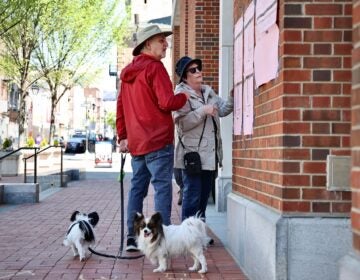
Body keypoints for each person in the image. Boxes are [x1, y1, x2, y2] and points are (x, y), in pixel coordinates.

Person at [116, 25, 190, 252]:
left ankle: (131, 237)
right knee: (162, 189)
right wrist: (184, 96)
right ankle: (161, 239)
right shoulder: (155, 68)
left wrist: (123, 136)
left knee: (137, 189)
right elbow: (167, 102)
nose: (166, 44)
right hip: (158, 141)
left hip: (137, 144)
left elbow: (120, 107)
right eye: (161, 40)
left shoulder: (129, 73)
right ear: (148, 44)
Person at [173, 56, 233, 222]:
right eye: (193, 70)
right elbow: (182, 124)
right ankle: (187, 236)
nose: (198, 72)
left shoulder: (207, 91)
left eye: (199, 68)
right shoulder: (181, 95)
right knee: (192, 197)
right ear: (185, 77)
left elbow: (223, 110)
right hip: (193, 155)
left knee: (203, 198)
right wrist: (203, 111)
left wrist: (233, 97)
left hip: (210, 154)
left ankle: (199, 234)